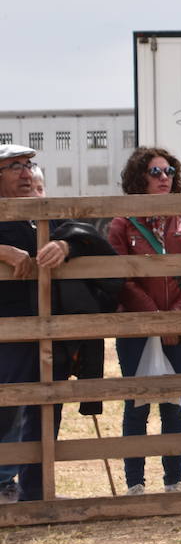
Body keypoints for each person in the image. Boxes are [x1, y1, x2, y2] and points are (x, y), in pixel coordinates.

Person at [0, 145, 114, 500]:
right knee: (8, 410)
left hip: (48, 330)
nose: (25, 172)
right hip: (8, 333)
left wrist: (66, 245)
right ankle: (4, 485)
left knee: (45, 411)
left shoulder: (41, 216)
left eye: (28, 165)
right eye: (14, 166)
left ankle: (37, 492)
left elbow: (97, 242)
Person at [107, 147, 181, 495]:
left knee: (174, 405)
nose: (163, 178)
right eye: (155, 172)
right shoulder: (121, 223)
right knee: (137, 406)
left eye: (168, 171)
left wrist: (175, 319)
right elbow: (120, 278)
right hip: (136, 327)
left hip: (180, 329)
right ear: (139, 178)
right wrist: (155, 320)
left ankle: (174, 480)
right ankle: (135, 482)